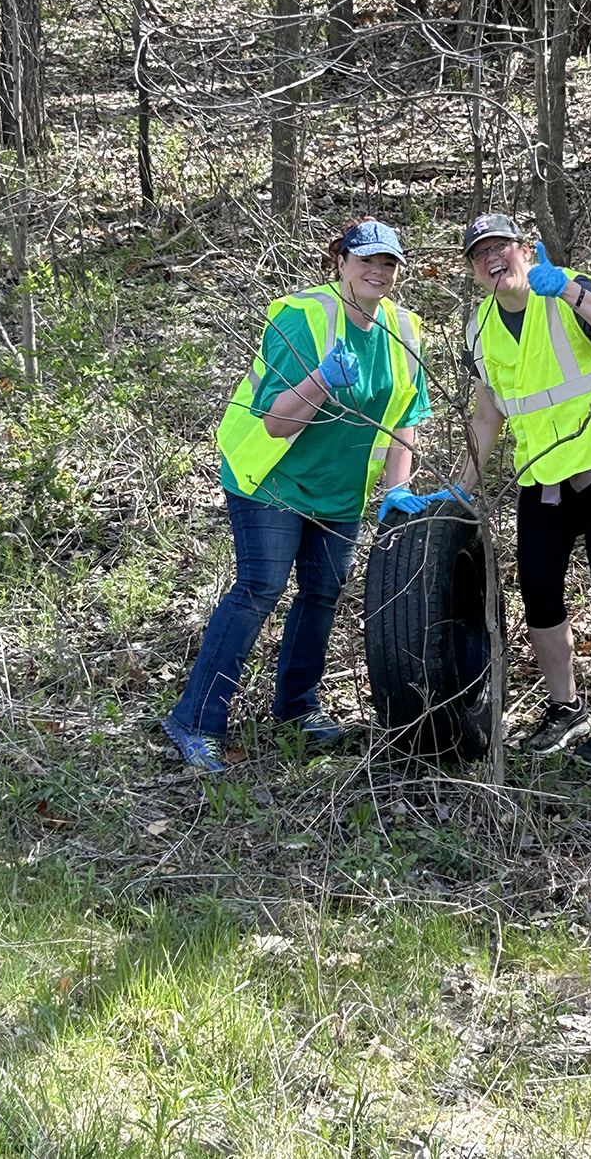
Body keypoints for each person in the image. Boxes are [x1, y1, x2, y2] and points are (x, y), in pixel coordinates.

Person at [385, 213, 591, 766]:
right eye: (480, 253)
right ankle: (566, 709)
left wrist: (566, 287)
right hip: (543, 477)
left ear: (525, 251)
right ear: (471, 268)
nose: (494, 259)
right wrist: (458, 491)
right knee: (538, 596)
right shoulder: (480, 325)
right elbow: (488, 417)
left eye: (502, 247)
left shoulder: (567, 289)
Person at [161, 218, 430, 770]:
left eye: (388, 263)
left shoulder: (406, 329)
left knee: (322, 592)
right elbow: (278, 423)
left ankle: (297, 708)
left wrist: (396, 490)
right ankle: (194, 719)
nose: (377, 272)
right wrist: (323, 379)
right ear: (341, 263)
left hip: (339, 490)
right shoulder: (301, 317)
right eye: (366, 261)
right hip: (273, 478)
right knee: (260, 587)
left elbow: (405, 417)